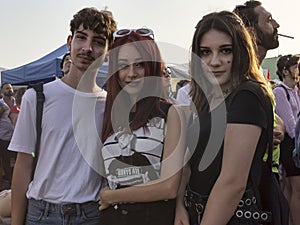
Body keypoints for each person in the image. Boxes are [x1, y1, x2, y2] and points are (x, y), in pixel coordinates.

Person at [9, 7, 117, 225]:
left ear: (107, 51)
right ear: (70, 42)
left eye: (97, 41)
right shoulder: (37, 97)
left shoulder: (111, 105)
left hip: (91, 214)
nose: (87, 48)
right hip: (41, 213)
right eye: (81, 37)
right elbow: (23, 164)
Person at [174, 11, 274, 225]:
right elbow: (190, 162)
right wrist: (180, 205)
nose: (215, 61)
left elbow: (232, 183)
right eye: (205, 52)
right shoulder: (206, 97)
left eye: (225, 50)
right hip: (194, 212)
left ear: (241, 51)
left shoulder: (247, 96)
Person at [98, 29, 185, 225]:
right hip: (111, 218)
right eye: (123, 66)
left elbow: (169, 186)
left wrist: (110, 196)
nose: (131, 74)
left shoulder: (170, 113)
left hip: (153, 217)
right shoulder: (109, 114)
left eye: (139, 65)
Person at [234, 0, 285, 179]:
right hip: (248, 177)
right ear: (251, 32)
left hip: (267, 172)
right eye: (269, 20)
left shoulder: (259, 74)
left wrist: (279, 125)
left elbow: (267, 114)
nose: (276, 25)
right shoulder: (238, 76)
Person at [273, 54, 300, 224]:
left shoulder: (295, 91)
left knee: (292, 188)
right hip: (290, 144)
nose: (298, 70)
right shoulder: (279, 91)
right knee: (296, 189)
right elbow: (290, 126)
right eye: (296, 66)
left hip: (296, 142)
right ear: (285, 71)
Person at [0, 83, 16, 191]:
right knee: (6, 160)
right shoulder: (0, 104)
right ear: (2, 91)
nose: (9, 90)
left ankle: (16, 179)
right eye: (7, 88)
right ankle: (9, 181)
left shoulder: (17, 102)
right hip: (4, 138)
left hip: (16, 137)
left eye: (10, 88)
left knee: (17, 160)